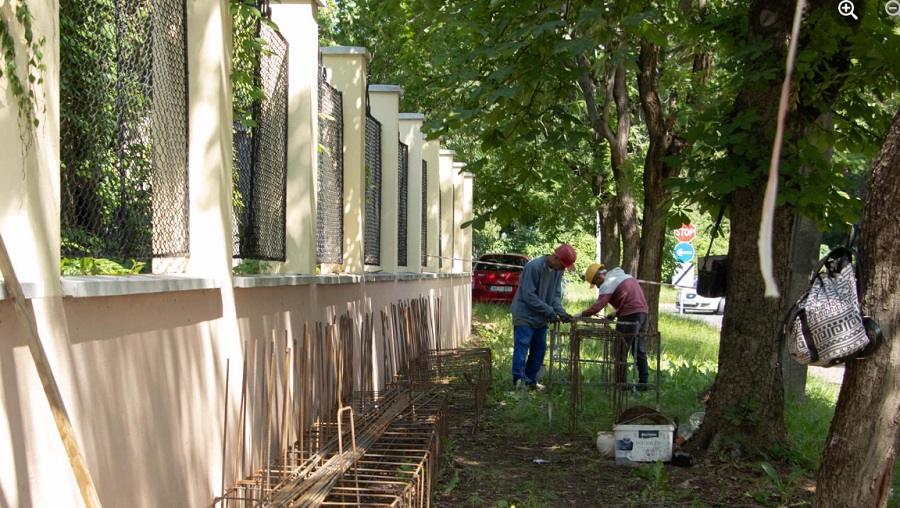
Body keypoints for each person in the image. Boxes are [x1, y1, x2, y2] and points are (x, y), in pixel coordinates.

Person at [509, 244, 577, 389]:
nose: (564, 269)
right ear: (556, 259)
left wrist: (561, 312)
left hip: (540, 317)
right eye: (563, 265)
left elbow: (556, 295)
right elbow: (529, 295)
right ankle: (518, 381)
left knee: (539, 349)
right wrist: (548, 311)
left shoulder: (558, 271)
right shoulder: (534, 266)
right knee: (522, 348)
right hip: (524, 315)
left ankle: (531, 380)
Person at [577, 263, 650, 389]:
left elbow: (598, 307)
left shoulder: (608, 283)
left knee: (620, 350)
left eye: (596, 284)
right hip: (643, 315)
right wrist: (615, 313)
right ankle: (644, 383)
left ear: (599, 277)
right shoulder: (625, 277)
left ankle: (621, 384)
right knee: (639, 350)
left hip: (629, 317)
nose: (598, 287)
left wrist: (579, 315)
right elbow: (632, 302)